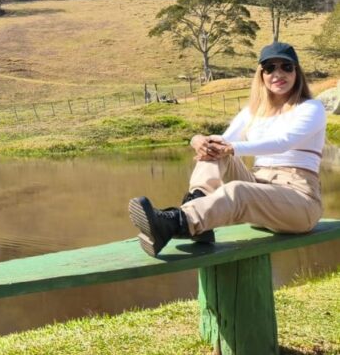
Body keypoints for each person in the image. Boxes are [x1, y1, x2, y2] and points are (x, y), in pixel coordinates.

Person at [129, 41, 326, 257]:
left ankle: (175, 223)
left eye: (286, 67)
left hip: (298, 201)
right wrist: (198, 140)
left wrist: (232, 148)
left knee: (238, 189)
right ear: (261, 76)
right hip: (259, 186)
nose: (278, 74)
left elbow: (283, 142)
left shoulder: (310, 108)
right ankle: (197, 206)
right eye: (270, 68)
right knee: (212, 150)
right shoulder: (252, 112)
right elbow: (222, 142)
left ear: (297, 72)